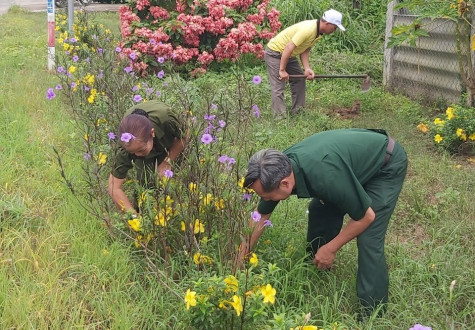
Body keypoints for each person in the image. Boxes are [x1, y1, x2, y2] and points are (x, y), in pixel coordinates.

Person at [241, 128, 408, 314]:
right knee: (320, 209)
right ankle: (316, 268)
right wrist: (239, 258)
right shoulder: (278, 168)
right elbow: (261, 216)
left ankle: (373, 311)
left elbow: (366, 217)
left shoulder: (324, 176)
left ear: (285, 184)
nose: (266, 200)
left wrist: (331, 248)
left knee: (369, 238)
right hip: (348, 166)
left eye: (267, 196)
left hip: (385, 165)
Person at [108, 100, 186, 214]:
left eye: (140, 150)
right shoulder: (126, 145)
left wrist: (167, 161)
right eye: (133, 152)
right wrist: (133, 218)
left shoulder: (166, 119)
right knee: (146, 181)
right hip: (144, 140)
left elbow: (184, 135)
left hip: (166, 135)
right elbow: (113, 187)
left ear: (152, 133)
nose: (137, 155)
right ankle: (145, 215)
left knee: (172, 180)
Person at [264, 9, 345, 118]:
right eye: (334, 27)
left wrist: (307, 68)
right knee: (279, 85)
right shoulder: (308, 29)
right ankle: (279, 118)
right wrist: (282, 70)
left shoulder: (318, 33)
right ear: (327, 23)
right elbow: (289, 47)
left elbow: (305, 50)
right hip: (275, 52)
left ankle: (298, 112)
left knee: (300, 79)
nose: (334, 30)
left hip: (289, 54)